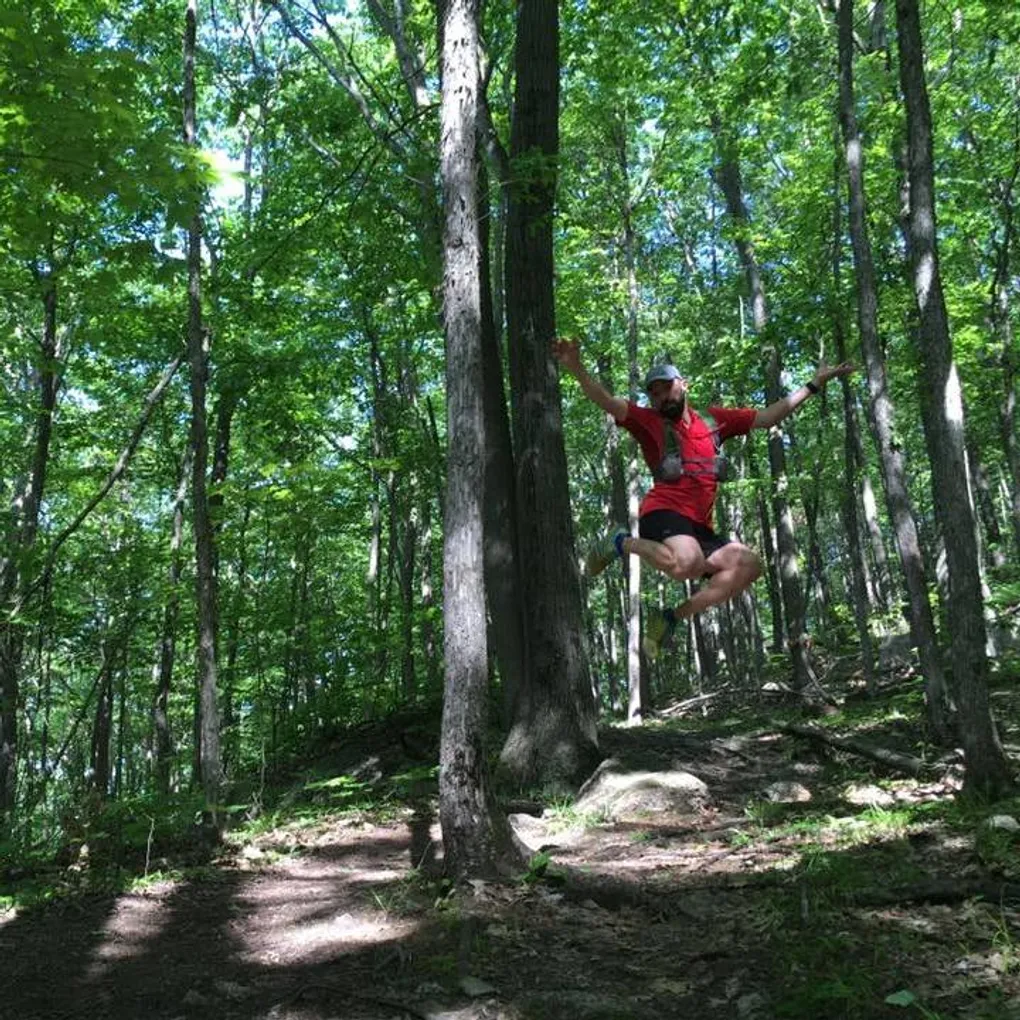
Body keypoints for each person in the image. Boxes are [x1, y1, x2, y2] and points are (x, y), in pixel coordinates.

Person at [551, 338, 854, 660]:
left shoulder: (713, 421)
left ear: (683, 384)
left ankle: (670, 618)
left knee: (748, 565)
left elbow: (768, 417)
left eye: (666, 388)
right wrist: (576, 367)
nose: (661, 396)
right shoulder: (648, 421)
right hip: (662, 511)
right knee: (687, 563)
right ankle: (619, 542)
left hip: (698, 527)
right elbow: (607, 401)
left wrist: (814, 384)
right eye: (654, 393)